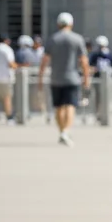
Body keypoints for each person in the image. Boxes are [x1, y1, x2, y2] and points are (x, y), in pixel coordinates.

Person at [37, 12, 90, 146]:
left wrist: (40, 77)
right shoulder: (77, 39)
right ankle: (66, 131)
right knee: (71, 105)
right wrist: (86, 78)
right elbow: (84, 61)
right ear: (71, 24)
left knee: (58, 107)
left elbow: (45, 60)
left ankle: (62, 131)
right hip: (72, 78)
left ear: (58, 24)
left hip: (56, 78)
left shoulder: (53, 39)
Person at [0, 35, 16, 121]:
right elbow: (11, 64)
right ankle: (9, 117)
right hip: (5, 78)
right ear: (6, 41)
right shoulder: (7, 49)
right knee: (7, 98)